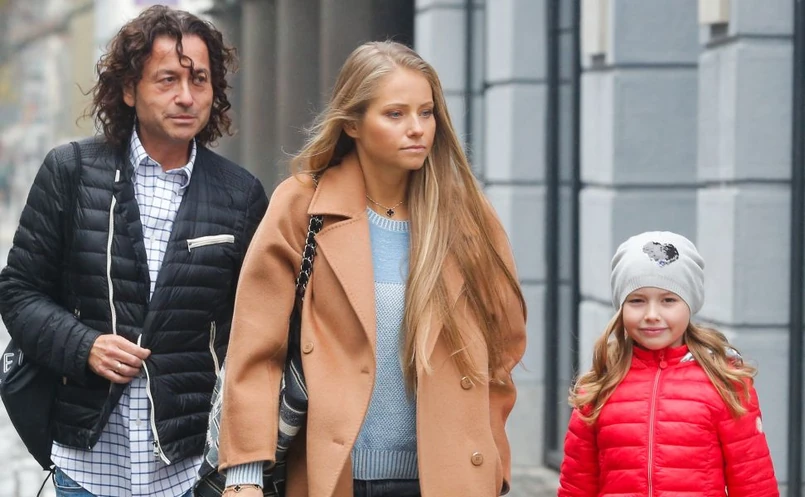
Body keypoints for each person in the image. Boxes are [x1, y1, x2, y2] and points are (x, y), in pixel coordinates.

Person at [215, 40, 527, 497]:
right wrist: (244, 475)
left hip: (446, 477)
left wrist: (492, 460)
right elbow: (256, 346)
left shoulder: (468, 217)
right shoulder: (303, 206)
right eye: (395, 114)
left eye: (426, 112)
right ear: (353, 123)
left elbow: (502, 350)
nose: (417, 129)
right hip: (333, 474)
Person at [0, 6, 268, 497]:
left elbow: (257, 333)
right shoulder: (71, 171)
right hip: (88, 465)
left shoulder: (241, 195)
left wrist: (245, 467)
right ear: (129, 89)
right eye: (167, 80)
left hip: (190, 466)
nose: (185, 96)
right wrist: (84, 346)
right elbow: (18, 292)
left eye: (200, 80)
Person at [558, 231, 779, 496]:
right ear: (621, 308)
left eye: (668, 300)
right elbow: (576, 484)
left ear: (690, 304)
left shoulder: (725, 382)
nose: (652, 315)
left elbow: (754, 482)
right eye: (637, 301)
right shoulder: (599, 387)